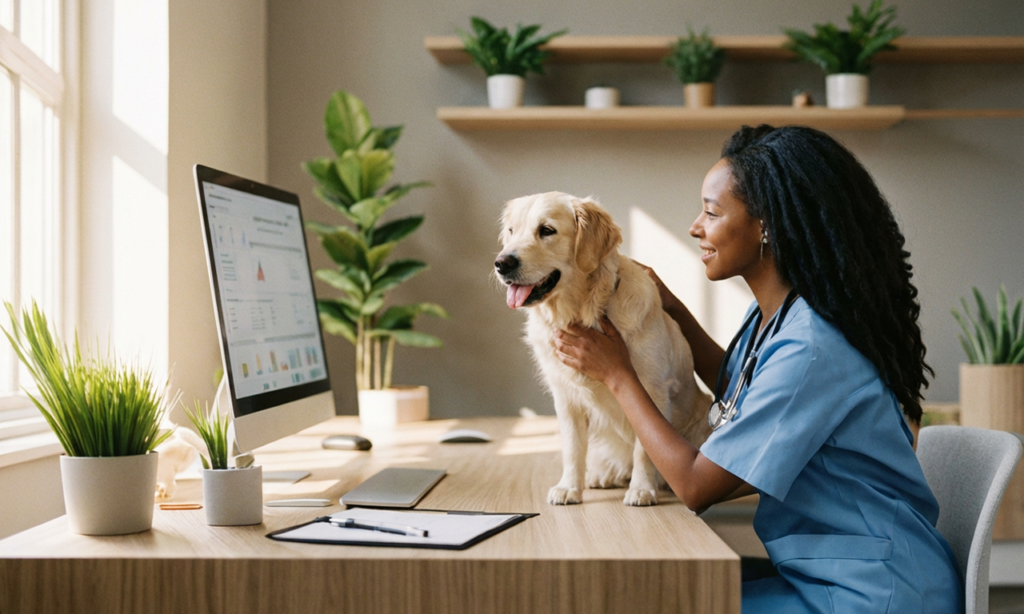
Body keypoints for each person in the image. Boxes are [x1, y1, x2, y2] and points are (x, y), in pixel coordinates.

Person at [553, 125, 963, 613]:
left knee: (648, 598)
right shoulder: (783, 313)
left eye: (711, 211)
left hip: (874, 594)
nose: (695, 227)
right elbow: (742, 384)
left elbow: (695, 486)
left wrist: (617, 373)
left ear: (765, 224)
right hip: (835, 572)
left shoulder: (811, 348)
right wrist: (676, 310)